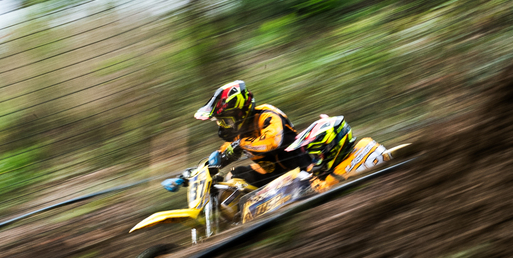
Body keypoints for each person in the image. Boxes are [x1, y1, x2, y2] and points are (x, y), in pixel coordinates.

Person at [162, 80, 311, 193]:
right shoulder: (239, 135)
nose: (222, 125)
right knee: (233, 177)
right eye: (219, 121)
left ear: (240, 113)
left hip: (304, 168)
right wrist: (188, 176)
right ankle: (226, 217)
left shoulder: (267, 115)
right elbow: (219, 157)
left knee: (299, 173)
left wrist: (241, 144)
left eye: (224, 120)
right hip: (273, 175)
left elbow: (272, 141)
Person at [286, 114, 393, 191]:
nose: (314, 163)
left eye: (317, 157)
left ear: (331, 149)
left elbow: (321, 188)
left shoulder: (337, 175)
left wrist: (301, 183)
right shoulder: (365, 144)